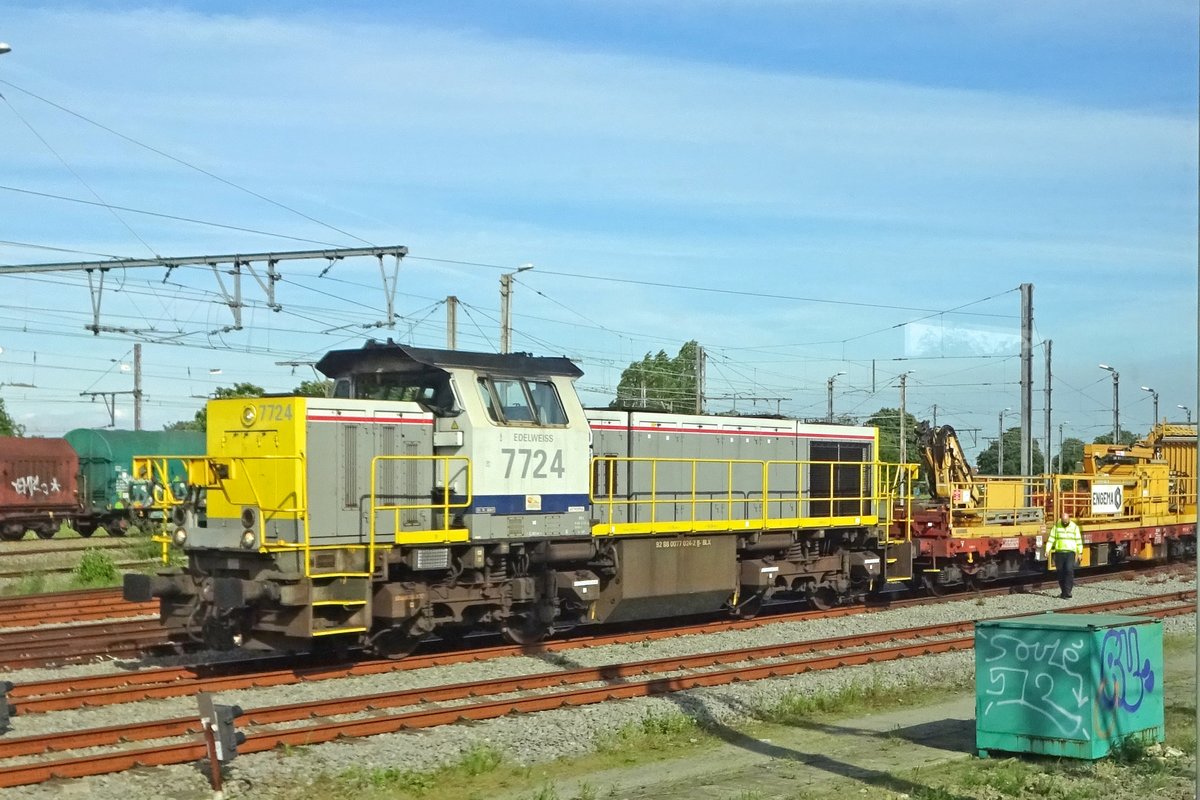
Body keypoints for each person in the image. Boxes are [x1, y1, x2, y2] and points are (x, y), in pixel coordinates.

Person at [1045, 509, 1083, 599]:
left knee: (1069, 570)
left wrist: (1080, 552)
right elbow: (1051, 539)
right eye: (1063, 521)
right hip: (1059, 552)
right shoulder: (1057, 526)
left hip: (1070, 552)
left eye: (1066, 521)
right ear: (1061, 520)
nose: (1065, 523)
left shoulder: (1074, 527)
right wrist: (1047, 550)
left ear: (1069, 519)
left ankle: (1068, 592)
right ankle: (1063, 592)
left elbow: (1078, 540)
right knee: (1060, 572)